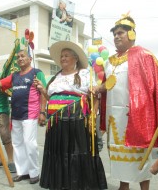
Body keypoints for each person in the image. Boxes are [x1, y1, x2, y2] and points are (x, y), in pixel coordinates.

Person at [93, 15, 158, 190]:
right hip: (113, 118)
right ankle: (124, 186)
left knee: (139, 155)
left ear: (132, 34)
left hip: (136, 115)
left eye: (121, 33)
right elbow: (107, 85)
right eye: (115, 34)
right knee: (118, 155)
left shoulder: (144, 56)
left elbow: (156, 84)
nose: (116, 36)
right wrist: (98, 89)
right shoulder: (110, 62)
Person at [37, 41, 107, 190]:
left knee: (75, 153)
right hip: (55, 122)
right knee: (59, 153)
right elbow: (51, 98)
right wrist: (43, 91)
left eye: (66, 55)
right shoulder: (55, 77)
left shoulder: (84, 74)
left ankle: (78, 185)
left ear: (75, 58)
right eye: (61, 56)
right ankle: (60, 184)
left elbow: (94, 96)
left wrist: (93, 117)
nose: (62, 58)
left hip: (76, 120)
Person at [0, 50, 47, 184]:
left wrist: (42, 112)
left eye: (23, 56)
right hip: (16, 115)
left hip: (30, 114)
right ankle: (22, 172)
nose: (20, 59)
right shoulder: (14, 75)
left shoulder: (36, 72)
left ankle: (34, 172)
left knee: (29, 143)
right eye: (18, 57)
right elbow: (0, 84)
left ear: (30, 58)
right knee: (17, 144)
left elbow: (43, 92)